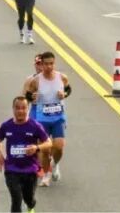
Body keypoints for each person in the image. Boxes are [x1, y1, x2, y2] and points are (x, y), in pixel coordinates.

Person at [0, 95, 51, 213]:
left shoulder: (35, 126)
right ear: (13, 109)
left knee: (29, 199)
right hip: (11, 169)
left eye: (23, 108)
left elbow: (49, 143)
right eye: (17, 108)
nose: (20, 111)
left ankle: (30, 206)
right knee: (16, 199)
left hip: (30, 169)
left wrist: (37, 147)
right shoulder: (6, 126)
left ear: (28, 109)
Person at [24, 52, 71, 186]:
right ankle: (46, 174)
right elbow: (27, 95)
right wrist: (32, 97)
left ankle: (54, 164)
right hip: (42, 118)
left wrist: (64, 94)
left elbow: (68, 89)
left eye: (51, 64)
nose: (49, 67)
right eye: (46, 64)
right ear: (42, 65)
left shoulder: (62, 77)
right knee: (45, 150)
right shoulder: (36, 81)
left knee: (59, 147)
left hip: (58, 117)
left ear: (54, 64)